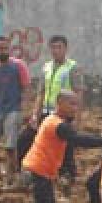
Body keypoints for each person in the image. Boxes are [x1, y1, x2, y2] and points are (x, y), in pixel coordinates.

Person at [23, 90, 102, 203]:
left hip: (38, 169)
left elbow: (76, 136)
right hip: (39, 171)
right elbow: (78, 139)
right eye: (71, 104)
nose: (75, 108)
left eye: (77, 104)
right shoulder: (57, 125)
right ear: (59, 103)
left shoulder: (52, 120)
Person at [32, 35, 83, 186]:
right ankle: (47, 172)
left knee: (66, 146)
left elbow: (78, 92)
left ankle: (68, 174)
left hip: (65, 113)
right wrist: (36, 114)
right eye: (53, 48)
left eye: (59, 47)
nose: (56, 51)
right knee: (43, 143)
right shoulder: (46, 67)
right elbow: (41, 93)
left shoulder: (72, 68)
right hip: (48, 113)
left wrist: (77, 117)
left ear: (65, 49)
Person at [0, 34, 31, 185]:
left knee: (10, 147)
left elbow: (27, 88)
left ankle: (10, 178)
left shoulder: (18, 65)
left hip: (13, 110)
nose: (3, 51)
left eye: (6, 48)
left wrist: (26, 110)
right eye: (0, 48)